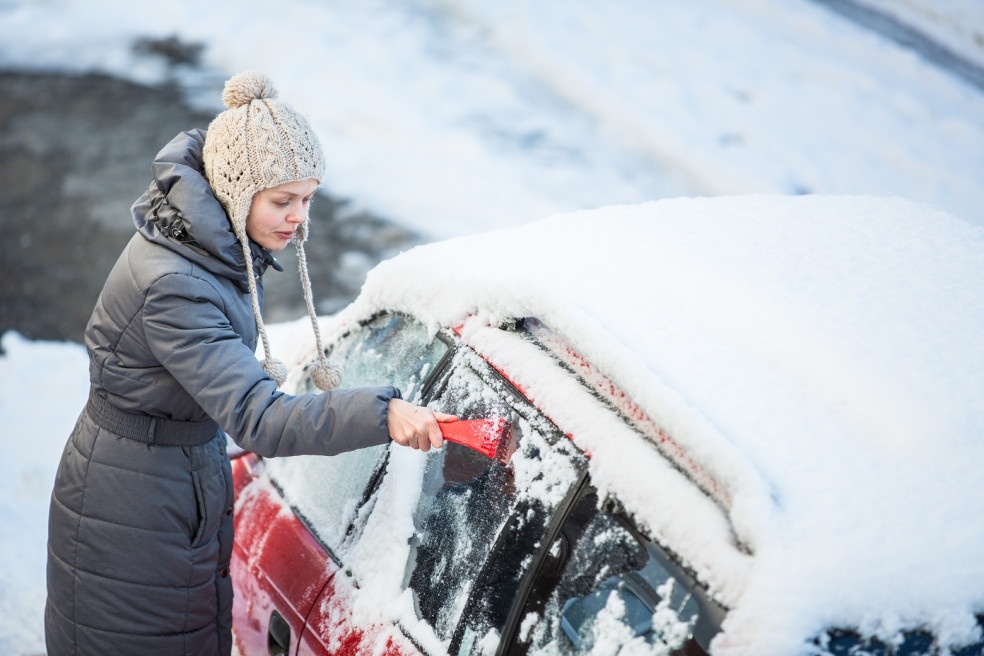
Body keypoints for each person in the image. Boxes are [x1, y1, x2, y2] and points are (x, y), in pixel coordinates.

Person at [44, 70, 456, 656]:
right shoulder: (176, 285)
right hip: (132, 512)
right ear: (236, 193)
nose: (299, 218)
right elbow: (260, 419)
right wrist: (380, 413)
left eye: (308, 199)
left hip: (165, 480)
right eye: (283, 200)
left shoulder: (206, 245)